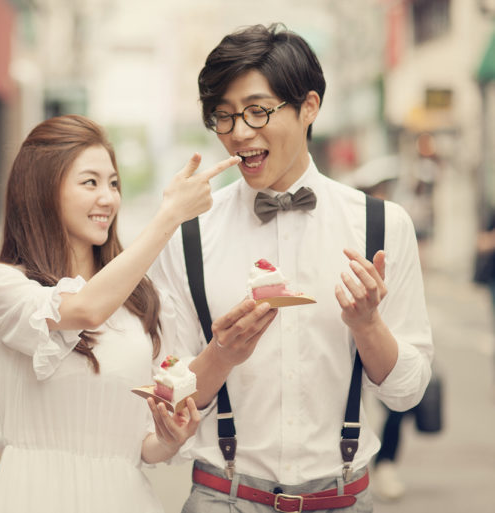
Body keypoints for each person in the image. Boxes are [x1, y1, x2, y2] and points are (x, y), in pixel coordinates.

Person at [150, 24, 434, 512]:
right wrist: (221, 353)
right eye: (223, 116)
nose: (239, 133)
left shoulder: (382, 226)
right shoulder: (189, 235)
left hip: (342, 498)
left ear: (309, 107)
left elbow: (407, 393)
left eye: (257, 110)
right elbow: (167, 403)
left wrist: (367, 326)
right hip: (224, 496)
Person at [0, 114, 240, 513]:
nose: (109, 198)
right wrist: (168, 217)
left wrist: (170, 436)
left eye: (113, 183)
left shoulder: (143, 302)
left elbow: (143, 446)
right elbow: (86, 310)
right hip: (36, 498)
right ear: (42, 190)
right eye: (90, 182)